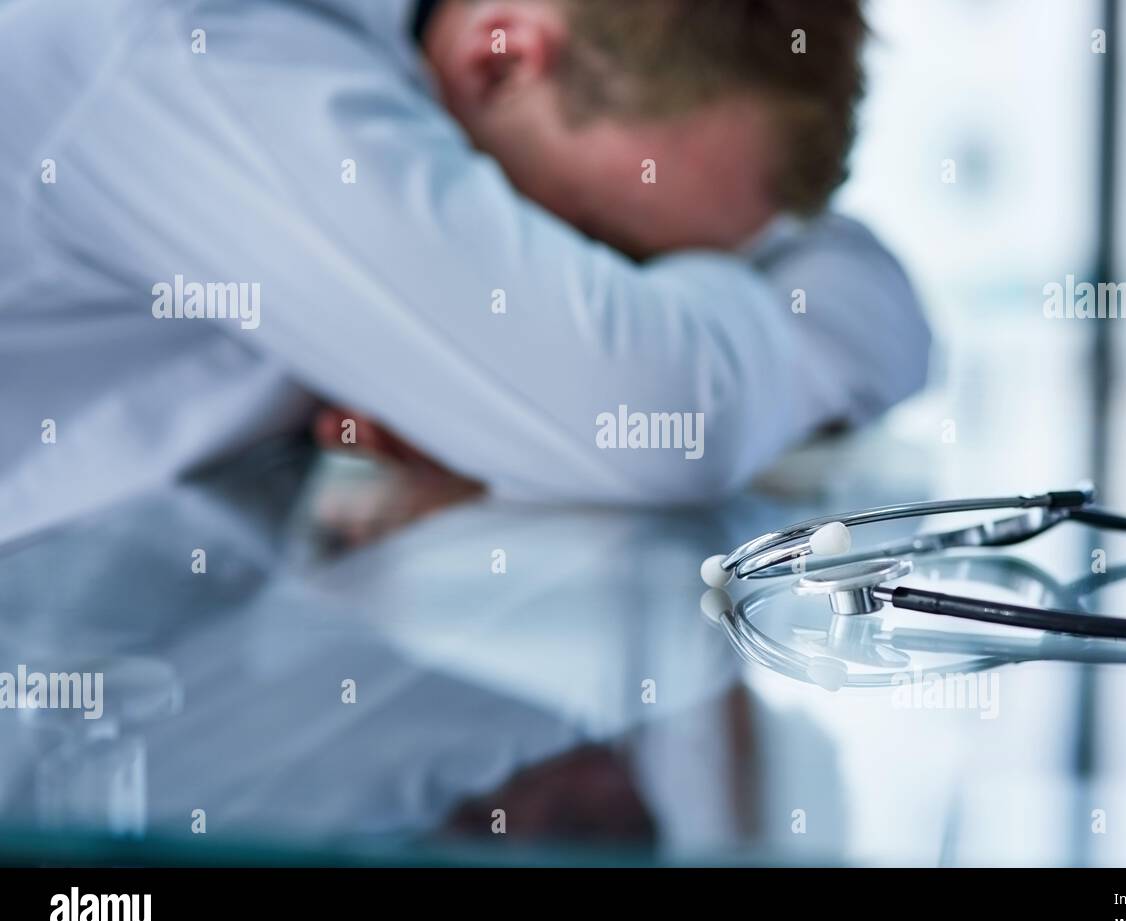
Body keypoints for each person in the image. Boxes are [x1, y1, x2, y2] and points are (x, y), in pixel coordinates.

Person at [0, 0, 930, 539]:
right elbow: (655, 409)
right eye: (595, 242)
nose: (594, 287)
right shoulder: (201, 44)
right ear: (501, 60)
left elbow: (879, 293)